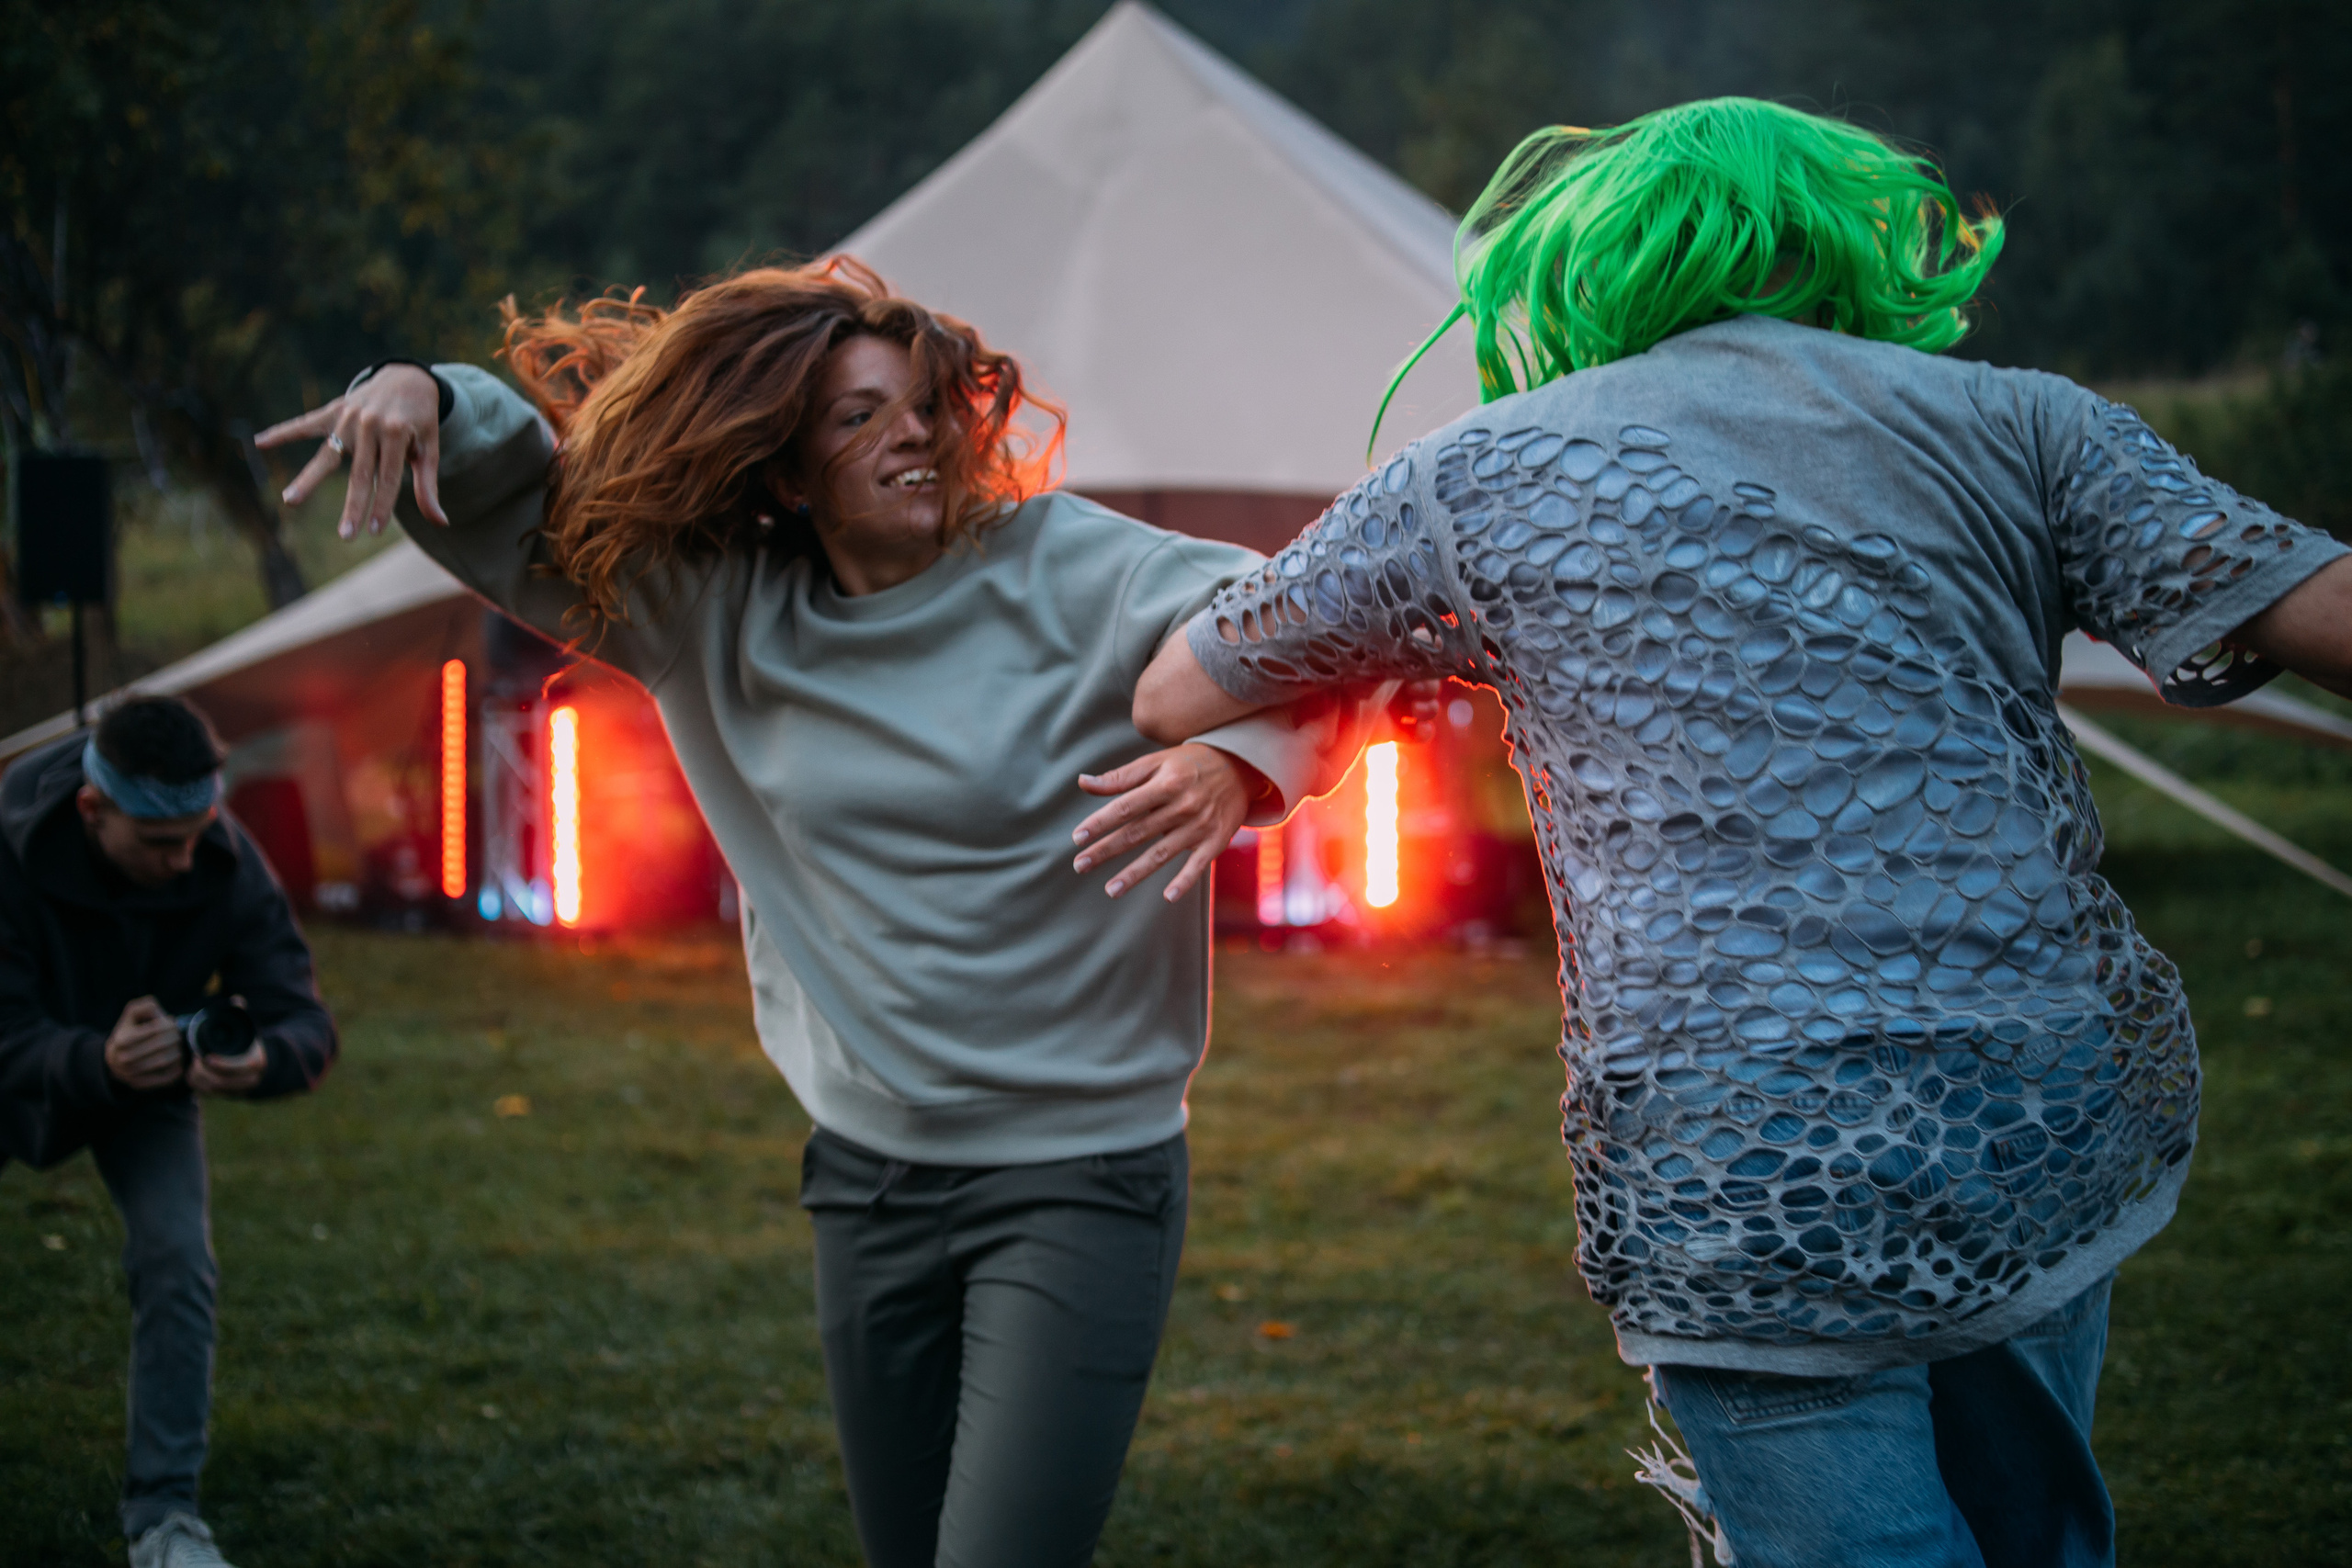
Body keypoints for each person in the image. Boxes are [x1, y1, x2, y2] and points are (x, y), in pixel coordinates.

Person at [1129, 96, 2352, 1568]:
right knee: (2038, 1532)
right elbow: (2319, 608)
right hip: (2031, 1088)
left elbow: (1181, 679)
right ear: (1848, 236)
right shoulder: (2024, 420)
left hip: (1733, 1126)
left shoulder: (1478, 472)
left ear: (1590, 258)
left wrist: (1411, 643)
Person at [256, 260, 1375, 1568]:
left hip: (1079, 1175)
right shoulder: (714, 612)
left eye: (918, 405)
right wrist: (427, 392)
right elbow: (516, 504)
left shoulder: (1080, 569)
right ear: (785, 469)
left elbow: (1323, 621)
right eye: (855, 417)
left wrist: (1233, 760)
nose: (908, 432)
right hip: (869, 1179)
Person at [0, 695, 340, 1568]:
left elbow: (303, 1018)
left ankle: (164, 1520)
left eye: (197, 835)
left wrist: (262, 1060)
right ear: (91, 810)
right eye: (161, 847)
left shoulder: (221, 854)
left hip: (145, 1083)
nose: (187, 860)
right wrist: (93, 1060)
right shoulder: (10, 849)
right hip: (37, 1060)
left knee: (177, 1257)